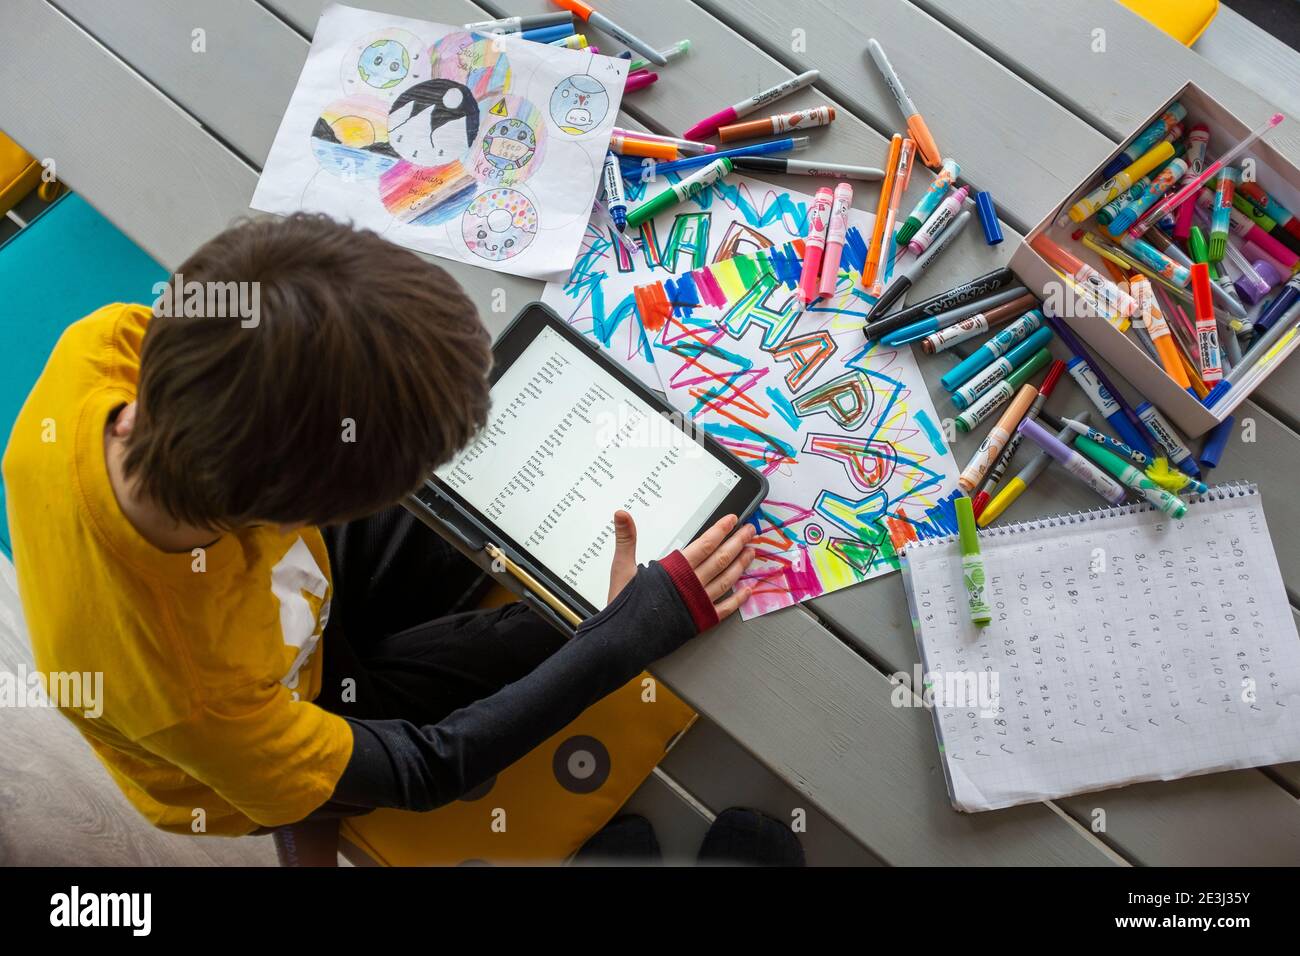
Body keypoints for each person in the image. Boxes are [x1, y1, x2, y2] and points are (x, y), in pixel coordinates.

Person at [3, 213, 756, 846]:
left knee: (515, 530)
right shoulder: (193, 698)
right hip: (291, 718)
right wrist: (622, 639)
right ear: (316, 509)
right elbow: (424, 771)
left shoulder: (108, 347)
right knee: (566, 628)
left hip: (289, 594)